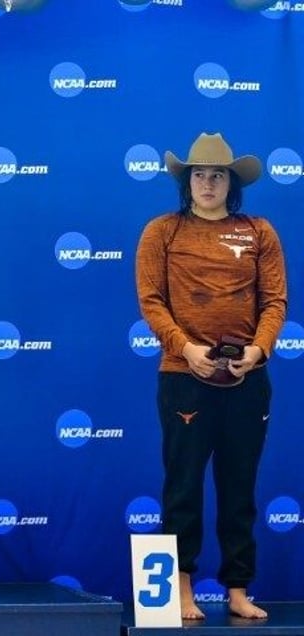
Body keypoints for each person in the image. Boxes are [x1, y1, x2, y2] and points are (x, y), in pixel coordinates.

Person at [135, 132, 287, 620]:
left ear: (231, 182)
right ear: (187, 181)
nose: (207, 183)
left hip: (248, 381)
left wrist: (259, 350)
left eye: (217, 175)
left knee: (239, 486)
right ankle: (180, 587)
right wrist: (186, 348)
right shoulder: (162, 231)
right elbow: (152, 301)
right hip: (183, 376)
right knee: (182, 485)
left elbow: (275, 302)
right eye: (199, 174)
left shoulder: (260, 231)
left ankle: (239, 588)